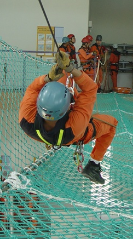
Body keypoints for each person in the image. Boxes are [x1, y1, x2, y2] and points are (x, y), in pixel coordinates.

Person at [19, 52, 118, 184]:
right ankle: (94, 165)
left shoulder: (26, 117)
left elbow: (32, 89)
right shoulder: (76, 124)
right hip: (78, 135)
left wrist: (49, 77)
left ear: (39, 102)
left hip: (45, 132)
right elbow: (90, 89)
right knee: (112, 125)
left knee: (61, 78)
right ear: (68, 107)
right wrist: (71, 69)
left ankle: (61, 67)